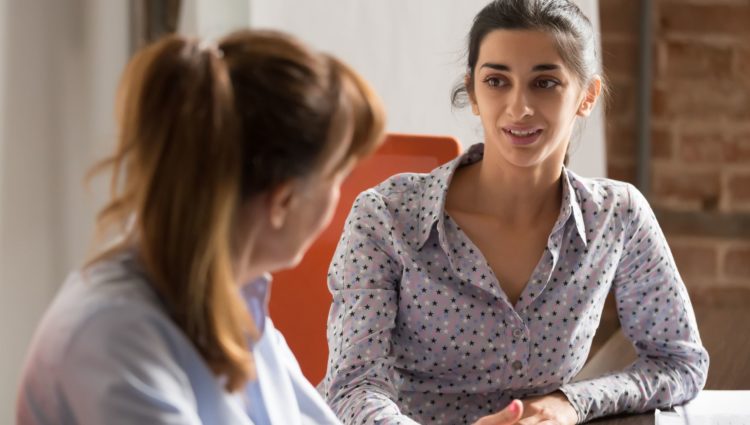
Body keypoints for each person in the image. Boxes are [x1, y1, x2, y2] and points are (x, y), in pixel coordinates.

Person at [322, 1, 709, 424]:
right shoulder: (386, 216)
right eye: (496, 81)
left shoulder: (617, 217)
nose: (519, 107)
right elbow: (354, 386)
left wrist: (570, 402)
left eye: (544, 83)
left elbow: (679, 363)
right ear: (472, 92)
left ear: (587, 96)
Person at [16, 29, 386, 424]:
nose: (340, 197)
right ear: (283, 200)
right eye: (336, 177)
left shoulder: (238, 305)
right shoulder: (113, 336)